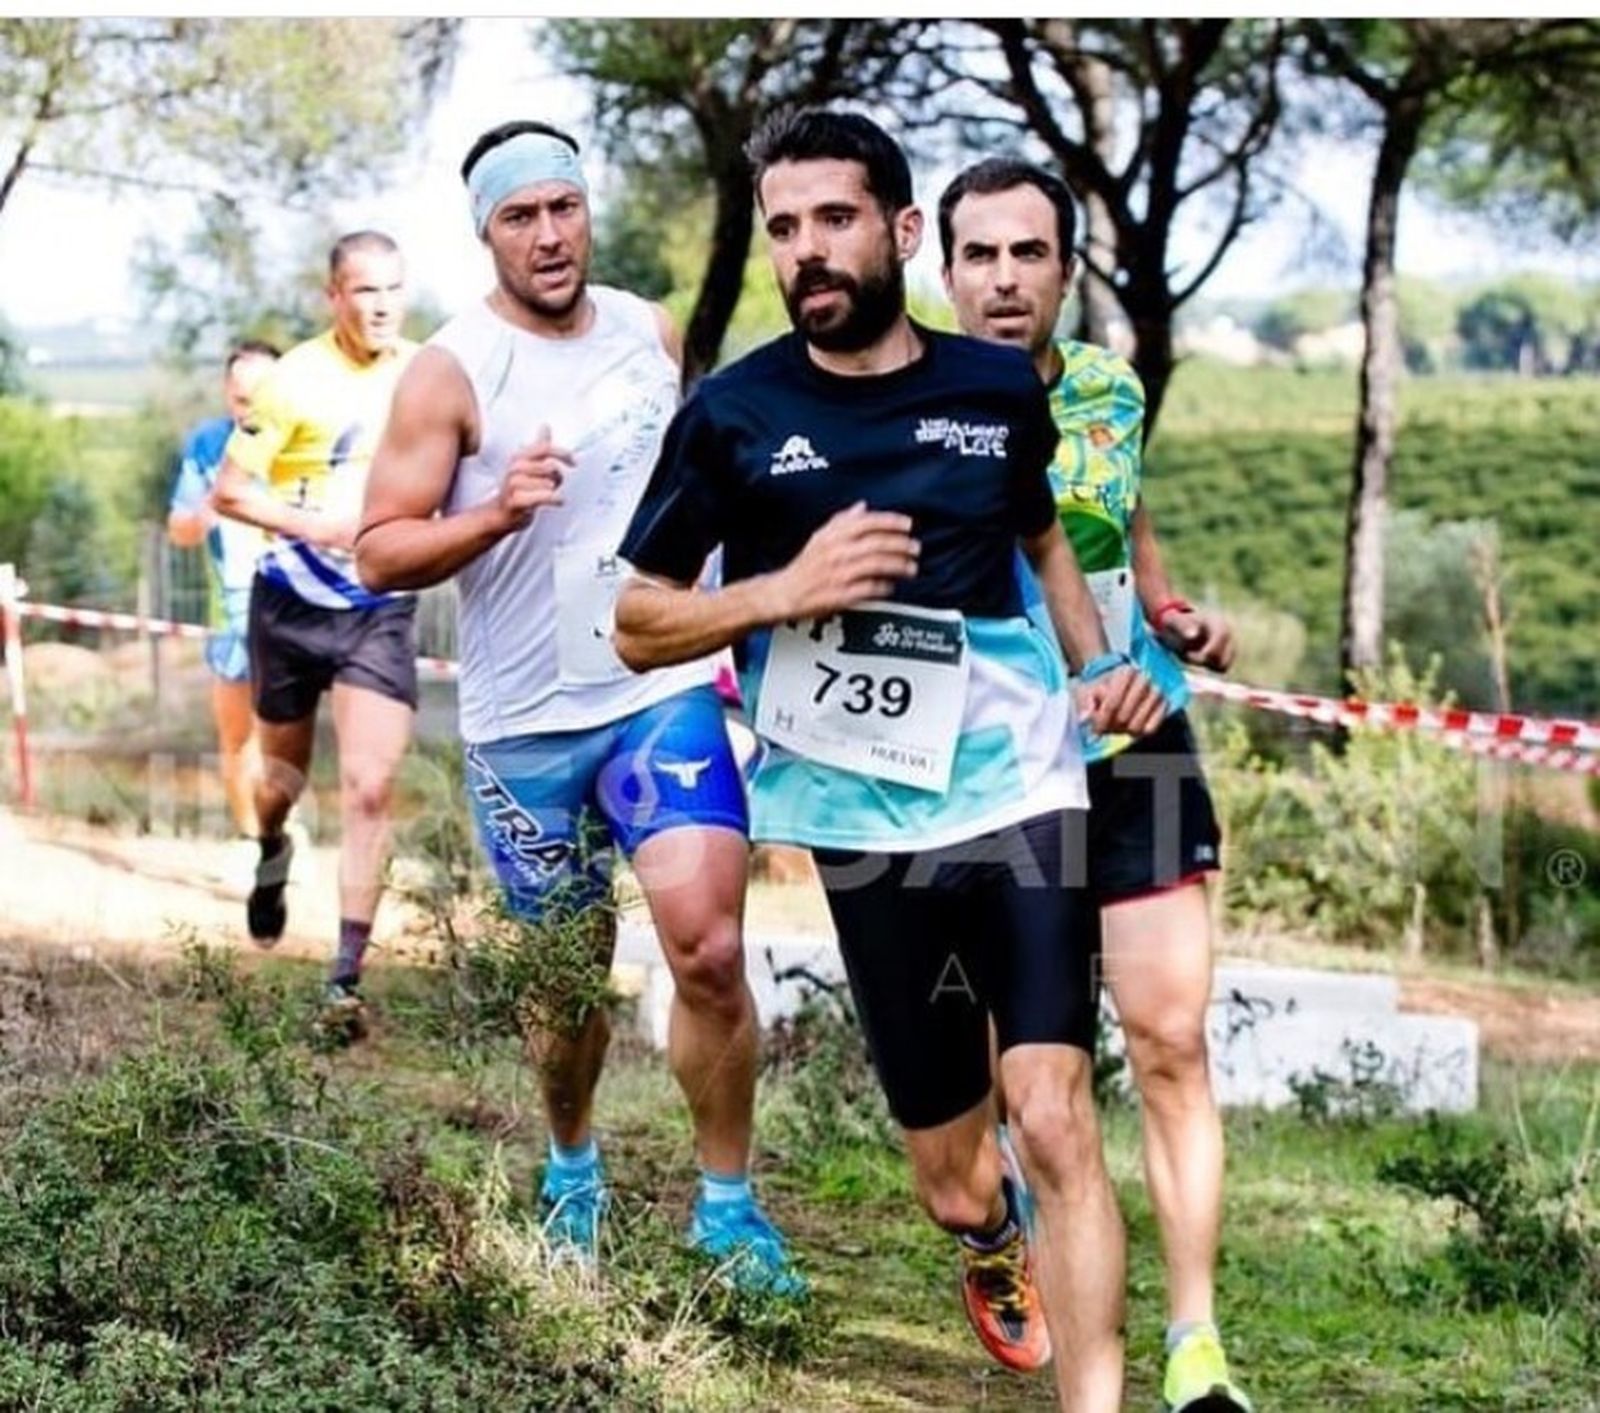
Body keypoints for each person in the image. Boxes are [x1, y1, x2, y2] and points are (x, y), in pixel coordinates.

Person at [613, 108, 1165, 1411]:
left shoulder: (990, 389)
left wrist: (1093, 667)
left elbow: (1038, 537)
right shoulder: (734, 417)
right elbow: (638, 619)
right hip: (862, 818)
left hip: (1023, 791)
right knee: (950, 1166)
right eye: (785, 227)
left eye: (835, 220)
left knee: (1055, 1109)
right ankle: (986, 1237)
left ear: (901, 229)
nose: (808, 251)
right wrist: (777, 590)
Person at [353, 120, 798, 1291]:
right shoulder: (449, 372)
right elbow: (379, 553)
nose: (547, 235)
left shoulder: (650, 330)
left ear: (585, 208)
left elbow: (689, 478)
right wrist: (493, 512)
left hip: (656, 694)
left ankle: (728, 1210)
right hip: (522, 726)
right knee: (563, 980)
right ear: (485, 233)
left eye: (562, 207)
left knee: (705, 950)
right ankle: (572, 1170)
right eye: (518, 217)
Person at [939, 156, 1250, 1413]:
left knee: (1171, 1040)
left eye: (1029, 254)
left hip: (1141, 748)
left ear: (1065, 269)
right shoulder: (915, 405)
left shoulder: (1112, 388)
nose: (1005, 279)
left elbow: (1123, 522)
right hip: (1001, 774)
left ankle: (1193, 1342)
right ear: (943, 268)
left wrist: (1171, 616)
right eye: (980, 255)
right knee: (1025, 1098)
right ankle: (1001, 1228)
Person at [214, 231, 419, 1037]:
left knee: (370, 786)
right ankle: (272, 849)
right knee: (282, 782)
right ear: (334, 295)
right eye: (364, 290)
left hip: (380, 604)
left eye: (394, 289)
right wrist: (320, 527)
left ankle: (344, 974)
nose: (380, 305)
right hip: (290, 603)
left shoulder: (424, 371)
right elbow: (231, 492)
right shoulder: (293, 379)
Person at [166, 340, 279, 850]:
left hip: (300, 602)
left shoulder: (308, 440)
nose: (249, 408)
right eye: (240, 398)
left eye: (261, 396)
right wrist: (211, 507)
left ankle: (279, 831)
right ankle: (253, 838)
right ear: (226, 395)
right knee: (238, 737)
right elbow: (180, 530)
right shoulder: (208, 444)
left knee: (282, 732)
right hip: (232, 603)